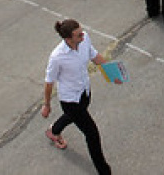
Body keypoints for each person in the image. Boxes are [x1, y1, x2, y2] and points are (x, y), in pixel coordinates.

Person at [41, 19, 113, 175]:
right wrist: (46, 105)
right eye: (78, 35)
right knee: (92, 133)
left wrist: (112, 73)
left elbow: (94, 56)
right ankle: (104, 171)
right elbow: (49, 82)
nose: (83, 35)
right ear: (68, 39)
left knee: (76, 116)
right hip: (70, 100)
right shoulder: (57, 57)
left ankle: (54, 130)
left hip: (84, 92)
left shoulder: (84, 39)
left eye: (82, 31)